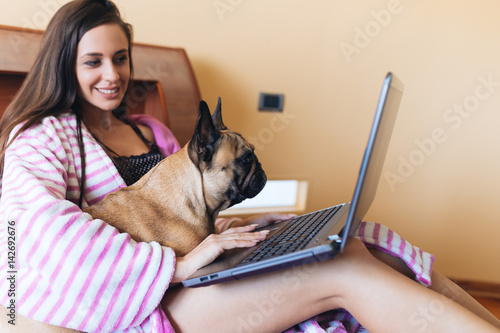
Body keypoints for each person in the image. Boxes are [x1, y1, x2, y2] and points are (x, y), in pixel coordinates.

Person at [0, 1, 499, 332]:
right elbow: (35, 235)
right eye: (93, 61)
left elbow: (191, 213)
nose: (112, 74)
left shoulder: (154, 134)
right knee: (344, 270)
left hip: (200, 273)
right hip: (147, 298)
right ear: (64, 63)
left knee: (365, 243)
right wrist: (172, 265)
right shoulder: (42, 138)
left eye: (121, 57)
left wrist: (234, 230)